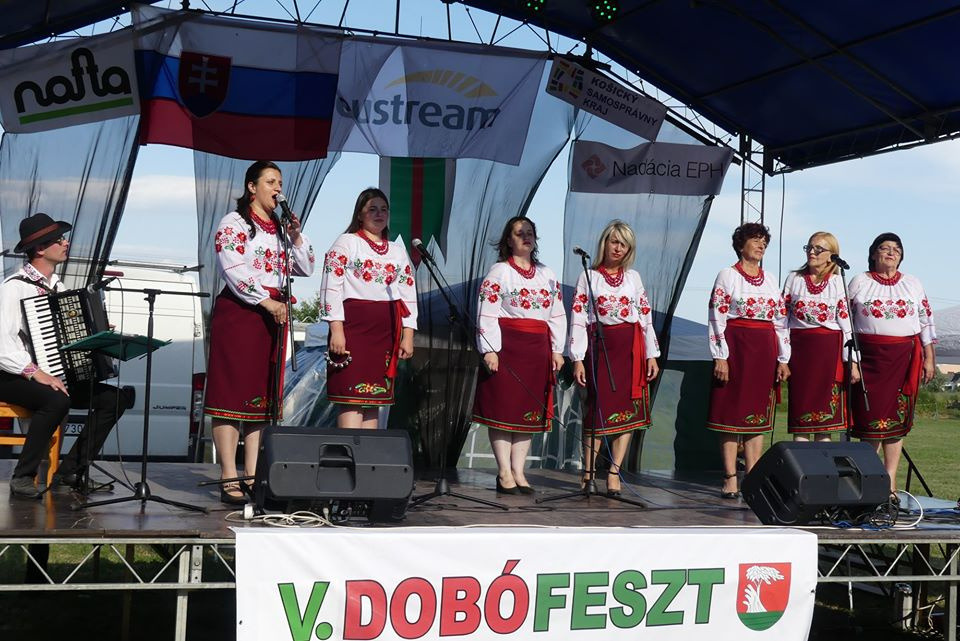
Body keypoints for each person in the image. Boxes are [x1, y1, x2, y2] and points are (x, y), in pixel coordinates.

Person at [203, 161, 314, 505]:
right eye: (270, 181)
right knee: (230, 398)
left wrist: (296, 235)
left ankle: (252, 476)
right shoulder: (234, 223)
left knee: (261, 402)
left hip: (273, 315)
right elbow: (232, 267)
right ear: (252, 187)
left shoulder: (280, 229)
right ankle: (228, 476)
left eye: (280, 182)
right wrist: (265, 301)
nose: (277, 188)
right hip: (242, 313)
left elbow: (306, 267)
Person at [0, 213, 133, 499]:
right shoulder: (14, 287)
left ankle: (71, 470)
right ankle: (23, 476)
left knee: (116, 399)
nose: (66, 243)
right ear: (39, 249)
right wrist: (36, 372)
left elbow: (64, 337)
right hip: (11, 375)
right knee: (56, 399)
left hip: (51, 375)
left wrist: (95, 331)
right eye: (58, 239)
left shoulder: (59, 289)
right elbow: (2, 345)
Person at [472, 216, 565, 495]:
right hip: (507, 347)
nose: (526, 236)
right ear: (508, 240)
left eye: (530, 232)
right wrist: (490, 349)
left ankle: (519, 471)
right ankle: (504, 472)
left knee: (527, 413)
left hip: (537, 349)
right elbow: (486, 313)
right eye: (519, 233)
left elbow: (557, 314)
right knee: (503, 410)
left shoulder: (547, 274)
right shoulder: (500, 272)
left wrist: (557, 350)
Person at [569, 221, 660, 496]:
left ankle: (613, 472)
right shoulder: (589, 277)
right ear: (605, 243)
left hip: (630, 349)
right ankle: (588, 473)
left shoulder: (633, 278)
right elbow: (578, 317)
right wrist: (577, 358)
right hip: (600, 348)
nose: (618, 248)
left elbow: (645, 317)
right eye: (615, 242)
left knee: (627, 412)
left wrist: (651, 354)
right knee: (596, 412)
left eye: (624, 244)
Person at [319, 188, 417, 429]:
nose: (379, 214)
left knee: (374, 398)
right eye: (372, 209)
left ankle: (367, 452)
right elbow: (331, 286)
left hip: (385, 331)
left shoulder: (397, 251)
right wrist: (337, 329)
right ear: (360, 215)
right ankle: (349, 449)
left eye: (383, 209)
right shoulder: (347, 242)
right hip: (353, 328)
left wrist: (408, 335)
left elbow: (408, 294)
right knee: (351, 399)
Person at [848, 233, 935, 495]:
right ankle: (867, 480)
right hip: (869, 359)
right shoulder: (859, 281)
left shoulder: (912, 283)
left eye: (896, 249)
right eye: (884, 248)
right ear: (873, 253)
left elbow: (925, 321)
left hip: (903, 359)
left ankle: (890, 483)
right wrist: (851, 361)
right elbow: (846, 322)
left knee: (895, 423)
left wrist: (929, 358)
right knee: (869, 422)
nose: (891, 252)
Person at [707, 222, 790, 499]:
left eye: (764, 241)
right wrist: (720, 356)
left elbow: (780, 321)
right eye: (755, 240)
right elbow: (716, 317)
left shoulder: (771, 279)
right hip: (737, 348)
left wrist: (783, 358)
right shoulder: (727, 275)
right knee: (730, 413)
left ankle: (753, 477)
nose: (761, 245)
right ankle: (730, 476)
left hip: (764, 351)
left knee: (757, 415)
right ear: (741, 244)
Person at [782, 232, 860, 441]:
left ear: (832, 255)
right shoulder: (794, 279)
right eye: (809, 247)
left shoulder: (837, 282)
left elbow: (846, 324)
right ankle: (800, 459)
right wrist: (783, 357)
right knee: (802, 413)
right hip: (801, 351)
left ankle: (823, 459)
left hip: (828, 352)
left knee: (825, 417)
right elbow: (782, 318)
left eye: (818, 249)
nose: (812, 252)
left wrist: (852, 362)